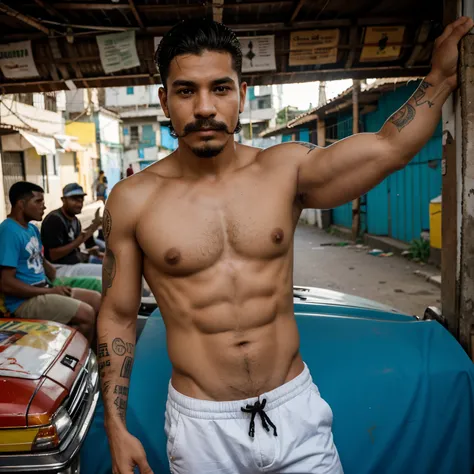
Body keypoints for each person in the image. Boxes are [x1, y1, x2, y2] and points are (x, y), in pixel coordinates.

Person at [97, 17, 473, 474]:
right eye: (185, 91)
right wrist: (114, 427)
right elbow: (117, 315)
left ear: (241, 91)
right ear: (164, 100)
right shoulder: (134, 199)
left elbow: (387, 147)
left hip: (293, 409)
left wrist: (442, 77)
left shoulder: (284, 170)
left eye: (220, 88)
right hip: (201, 428)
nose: (203, 107)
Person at [0, 182, 100, 344]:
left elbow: (41, 259)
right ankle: (81, 361)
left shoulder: (31, 229)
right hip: (24, 302)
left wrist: (55, 280)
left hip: (44, 288)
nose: (44, 207)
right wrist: (51, 291)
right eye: (38, 202)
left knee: (96, 299)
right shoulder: (8, 232)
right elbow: (7, 284)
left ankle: (96, 352)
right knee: (87, 314)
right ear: (21, 204)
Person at [41, 183, 103, 279]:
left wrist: (88, 252)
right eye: (74, 200)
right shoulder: (54, 220)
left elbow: (75, 248)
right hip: (60, 268)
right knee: (107, 273)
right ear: (63, 200)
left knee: (113, 264)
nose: (79, 204)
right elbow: (53, 255)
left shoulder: (75, 220)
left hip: (76, 263)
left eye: (81, 200)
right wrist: (80, 240)